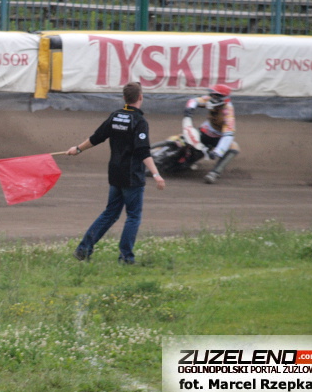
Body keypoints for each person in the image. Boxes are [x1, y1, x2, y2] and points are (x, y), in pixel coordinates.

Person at [66, 82, 165, 264]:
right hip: (132, 176)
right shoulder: (139, 121)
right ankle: (126, 258)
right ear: (140, 97)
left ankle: (83, 250)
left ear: (124, 98)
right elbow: (143, 151)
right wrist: (156, 174)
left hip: (115, 174)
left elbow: (97, 137)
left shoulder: (115, 116)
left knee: (110, 213)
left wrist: (78, 149)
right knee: (133, 217)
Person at [183, 84, 240, 184]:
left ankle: (214, 173)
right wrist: (189, 109)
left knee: (234, 148)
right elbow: (194, 100)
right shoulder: (210, 99)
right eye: (212, 94)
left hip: (219, 138)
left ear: (222, 98)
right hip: (205, 130)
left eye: (215, 95)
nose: (212, 97)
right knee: (185, 138)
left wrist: (217, 152)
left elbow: (228, 135)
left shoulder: (228, 112)